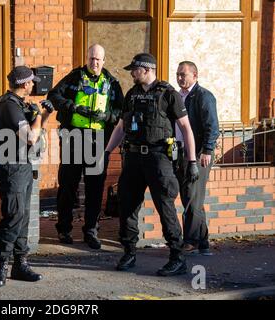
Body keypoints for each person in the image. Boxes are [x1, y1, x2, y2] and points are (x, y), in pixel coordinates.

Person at [105, 53, 199, 276]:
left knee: (165, 208)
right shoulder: (132, 94)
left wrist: (192, 160)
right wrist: (107, 151)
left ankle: (177, 257)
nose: (131, 73)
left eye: (134, 69)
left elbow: (186, 128)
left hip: (159, 159)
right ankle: (129, 252)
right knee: (127, 205)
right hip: (134, 159)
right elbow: (120, 127)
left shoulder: (168, 94)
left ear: (146, 70)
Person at [47, 44, 124, 249]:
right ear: (87, 59)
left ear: (104, 61)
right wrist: (73, 107)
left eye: (98, 59)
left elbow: (122, 111)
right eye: (91, 59)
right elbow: (53, 96)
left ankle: (91, 230)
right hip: (74, 137)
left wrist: (108, 116)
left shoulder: (112, 83)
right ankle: (64, 229)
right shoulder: (74, 77)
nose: (94, 63)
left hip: (98, 141)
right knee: (68, 186)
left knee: (95, 188)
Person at [0, 66, 54, 287]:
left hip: (22, 166)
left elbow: (36, 132)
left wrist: (43, 115)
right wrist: (37, 117)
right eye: (31, 82)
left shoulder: (15, 104)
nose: (33, 85)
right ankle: (2, 266)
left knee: (24, 216)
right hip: (12, 167)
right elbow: (30, 137)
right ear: (25, 84)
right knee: (14, 215)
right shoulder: (8, 106)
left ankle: (20, 264)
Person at [175, 61, 219, 256]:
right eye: (178, 74)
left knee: (193, 197)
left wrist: (207, 151)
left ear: (195, 75)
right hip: (180, 152)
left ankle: (191, 240)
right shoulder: (178, 97)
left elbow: (212, 126)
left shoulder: (203, 96)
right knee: (191, 198)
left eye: (183, 74)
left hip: (198, 154)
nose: (180, 78)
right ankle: (203, 242)